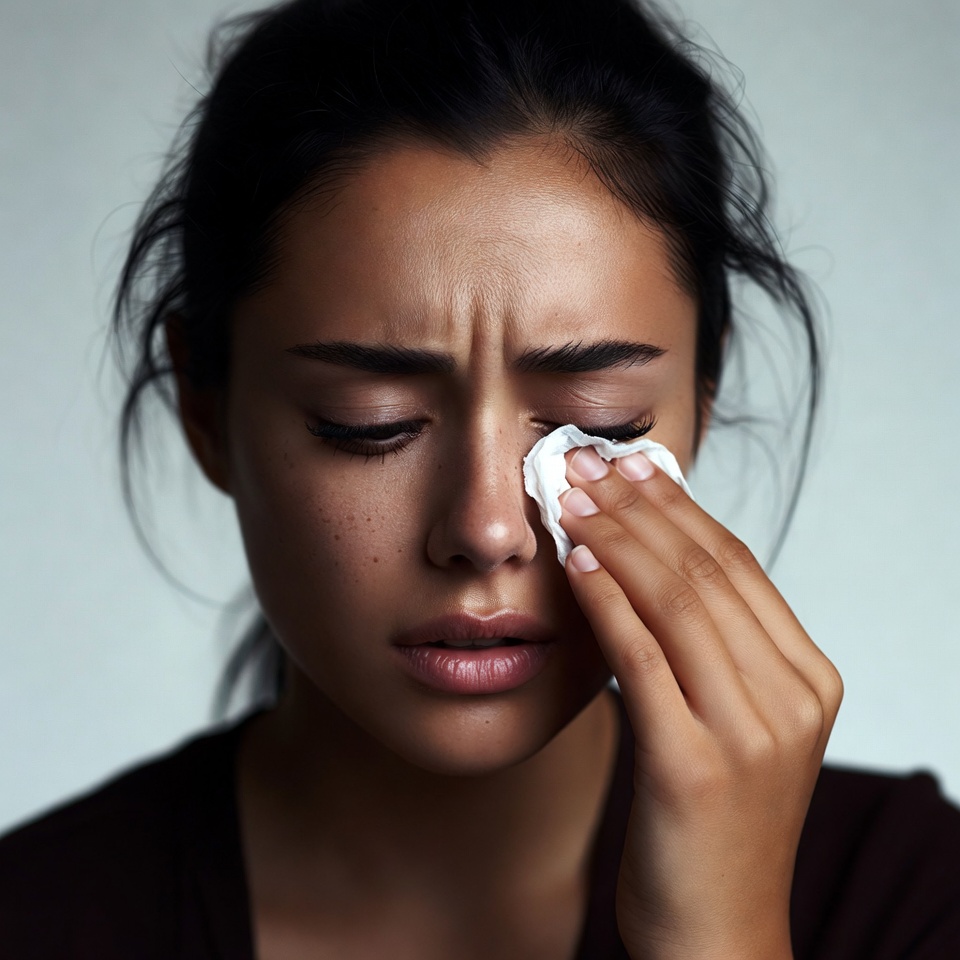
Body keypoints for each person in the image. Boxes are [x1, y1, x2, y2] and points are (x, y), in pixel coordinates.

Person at [1, 0, 959, 957]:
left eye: (598, 423)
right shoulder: (41, 918)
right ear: (206, 410)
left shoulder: (907, 896)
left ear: (700, 402)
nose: (488, 529)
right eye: (368, 424)